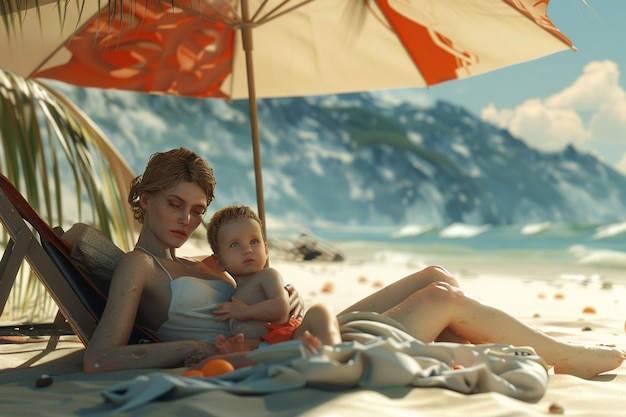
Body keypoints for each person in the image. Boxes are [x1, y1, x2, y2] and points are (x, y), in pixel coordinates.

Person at [83, 148, 624, 379]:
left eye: (196, 210)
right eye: (174, 204)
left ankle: (487, 343)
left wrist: (279, 290)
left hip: (294, 328)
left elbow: (252, 286)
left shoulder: (201, 260)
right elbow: (100, 360)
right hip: (284, 348)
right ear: (145, 198)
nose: (185, 219)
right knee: (441, 298)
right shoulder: (139, 269)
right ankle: (564, 357)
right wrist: (195, 349)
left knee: (435, 274)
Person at [206, 204, 341, 353]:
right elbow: (256, 334)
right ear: (219, 261)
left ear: (266, 249)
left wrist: (246, 312)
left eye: (254, 241)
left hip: (289, 337)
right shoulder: (233, 294)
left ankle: (335, 355)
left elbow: (281, 307)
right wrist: (235, 343)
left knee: (321, 311)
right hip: (265, 347)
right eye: (235, 244)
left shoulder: (267, 275)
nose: (248, 250)